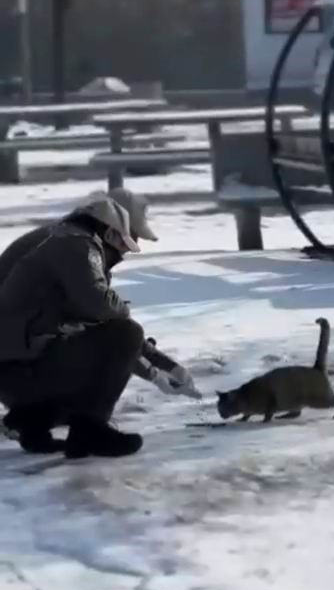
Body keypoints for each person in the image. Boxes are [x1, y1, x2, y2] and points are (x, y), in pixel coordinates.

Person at [0, 193, 199, 459]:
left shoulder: (61, 240)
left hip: (17, 367)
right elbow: (108, 319)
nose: (128, 249)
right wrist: (154, 369)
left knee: (107, 346)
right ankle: (89, 431)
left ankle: (32, 421)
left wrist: (163, 368)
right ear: (110, 231)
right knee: (121, 340)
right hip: (21, 366)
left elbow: (98, 324)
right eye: (130, 238)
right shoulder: (75, 247)